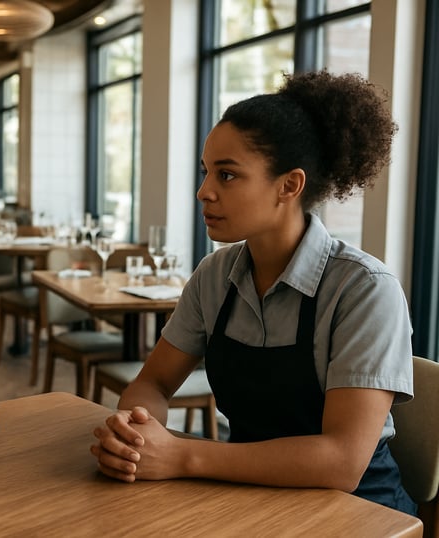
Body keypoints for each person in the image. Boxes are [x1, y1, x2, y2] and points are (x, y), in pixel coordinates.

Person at [90, 70, 417, 515]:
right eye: (207, 172)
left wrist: (180, 455)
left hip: (356, 512)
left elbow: (342, 462)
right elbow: (153, 382)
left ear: (289, 185)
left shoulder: (364, 290)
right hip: (244, 494)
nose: (203, 192)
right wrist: (135, 431)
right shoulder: (214, 275)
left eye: (226, 175)